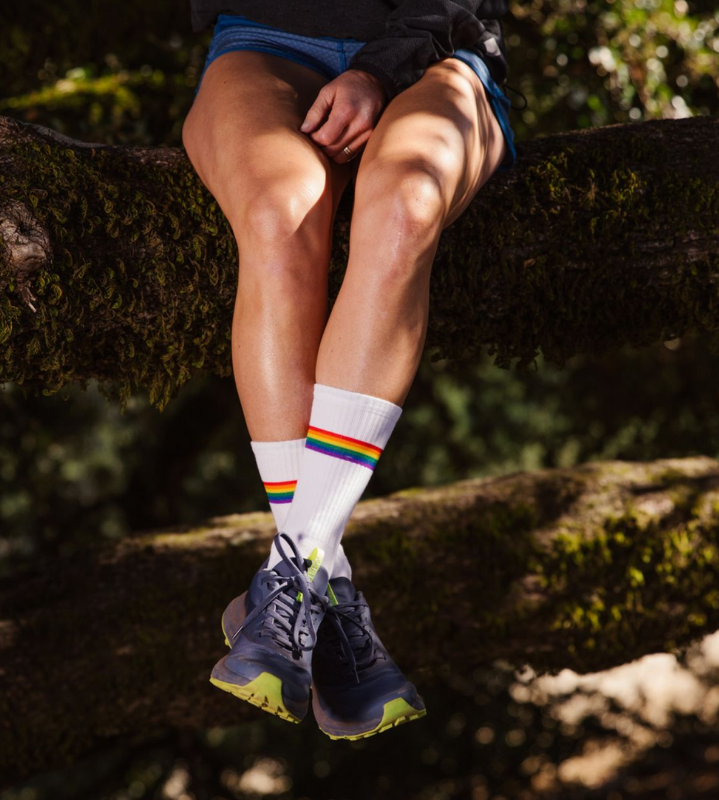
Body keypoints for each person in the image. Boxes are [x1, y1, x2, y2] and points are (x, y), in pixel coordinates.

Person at [181, 1, 519, 740]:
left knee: (406, 202)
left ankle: (291, 576)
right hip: (263, 39)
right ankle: (319, 587)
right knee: (278, 211)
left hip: (443, 54)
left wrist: (377, 68)